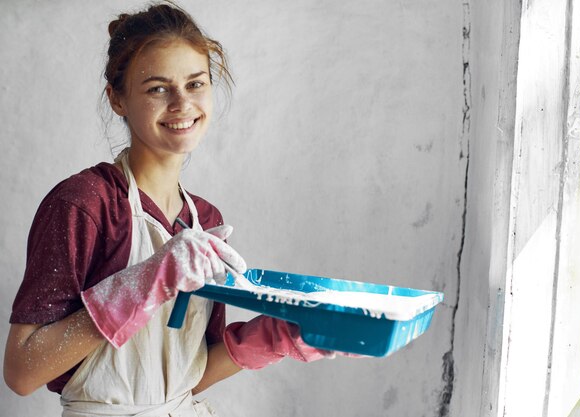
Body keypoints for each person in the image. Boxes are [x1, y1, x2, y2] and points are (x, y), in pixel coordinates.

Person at [3, 4, 339, 416]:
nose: (182, 103)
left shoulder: (206, 222)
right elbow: (21, 372)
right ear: (118, 99)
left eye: (195, 84)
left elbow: (187, 375)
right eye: (158, 88)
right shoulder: (84, 205)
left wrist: (272, 338)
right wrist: (143, 282)